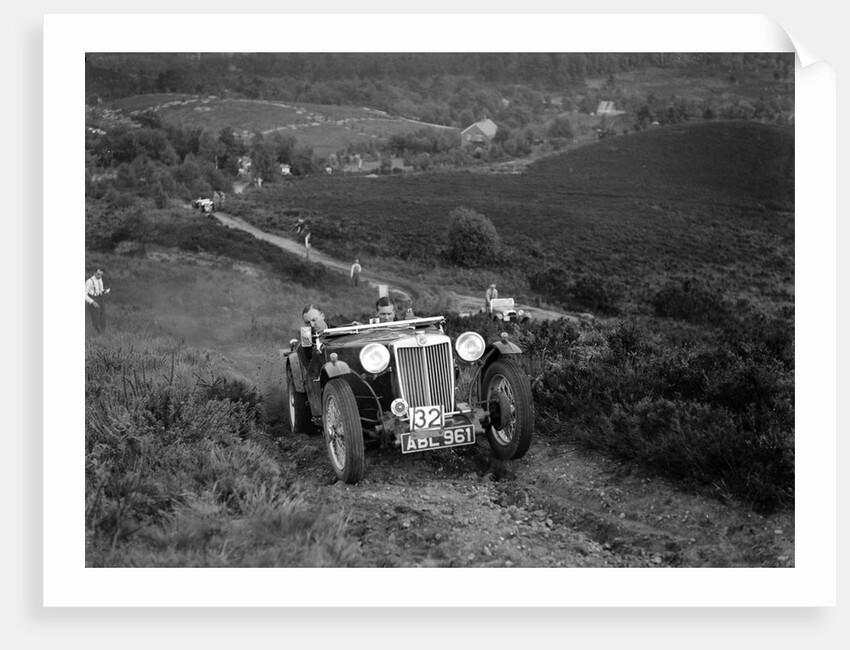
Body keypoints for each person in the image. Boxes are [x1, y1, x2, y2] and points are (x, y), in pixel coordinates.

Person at [85, 267, 110, 333]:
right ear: (94, 273)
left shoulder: (100, 279)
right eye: (98, 274)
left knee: (102, 316)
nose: (100, 276)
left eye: (101, 275)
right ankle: (97, 333)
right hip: (93, 298)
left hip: (100, 298)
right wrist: (92, 302)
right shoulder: (89, 281)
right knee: (96, 317)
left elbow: (100, 290)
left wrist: (105, 291)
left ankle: (103, 332)